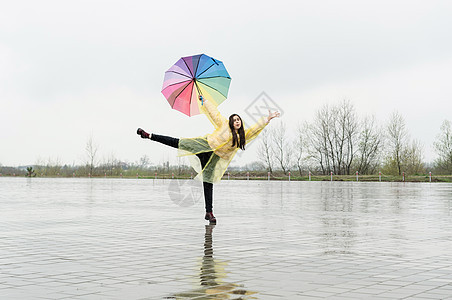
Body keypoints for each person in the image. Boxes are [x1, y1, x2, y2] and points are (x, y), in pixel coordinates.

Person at [137, 95, 280, 224]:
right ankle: (149, 135)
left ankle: (209, 212)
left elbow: (255, 129)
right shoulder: (224, 125)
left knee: (208, 182)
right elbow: (214, 114)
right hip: (204, 146)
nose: (237, 121)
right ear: (231, 122)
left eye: (238, 120)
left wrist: (267, 119)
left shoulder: (242, 136)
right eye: (234, 120)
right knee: (179, 142)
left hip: (213, 159)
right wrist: (205, 101)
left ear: (241, 123)